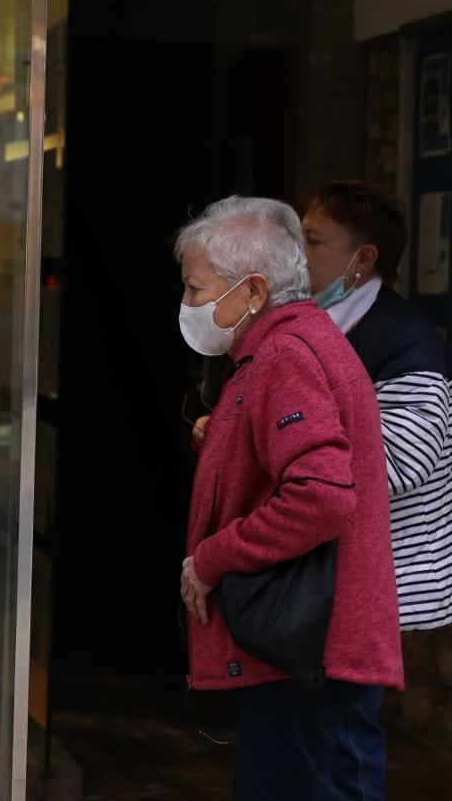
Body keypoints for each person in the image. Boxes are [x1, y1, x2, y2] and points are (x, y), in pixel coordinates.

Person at [176, 196, 402, 799]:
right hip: (306, 650)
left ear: (251, 292)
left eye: (196, 290)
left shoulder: (285, 354)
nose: (188, 306)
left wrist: (214, 557)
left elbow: (322, 496)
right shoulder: (285, 346)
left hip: (311, 656)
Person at [302, 180, 452, 630]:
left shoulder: (406, 344)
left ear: (363, 260)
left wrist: (271, 443)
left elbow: (394, 465)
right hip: (331, 580)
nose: (294, 253)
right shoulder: (313, 323)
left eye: (311, 241)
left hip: (390, 590)